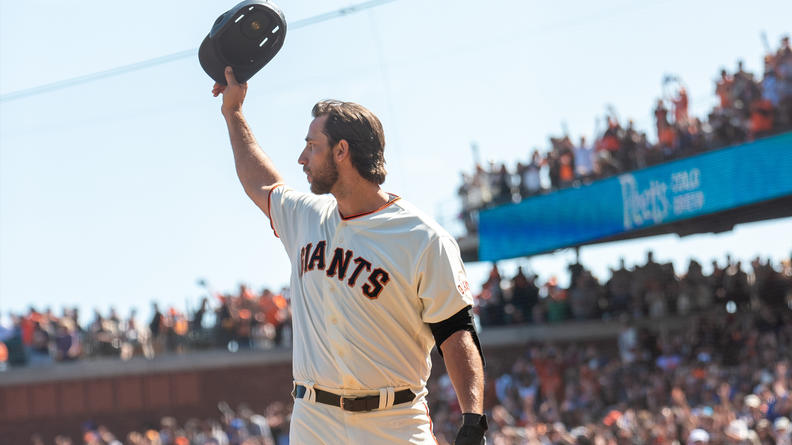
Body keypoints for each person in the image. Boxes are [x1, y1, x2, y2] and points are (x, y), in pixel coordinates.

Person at [213, 66, 487, 445]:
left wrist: (473, 420)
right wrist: (234, 113)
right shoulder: (307, 217)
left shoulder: (422, 237)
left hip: (393, 421)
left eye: (312, 145)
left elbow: (456, 333)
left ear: (342, 151)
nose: (301, 158)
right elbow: (261, 181)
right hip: (314, 419)